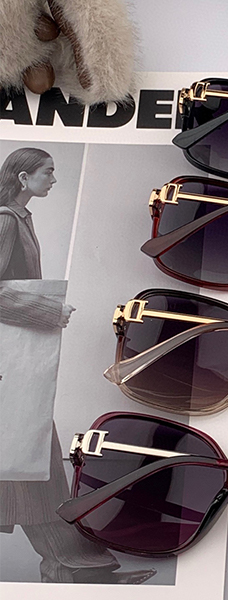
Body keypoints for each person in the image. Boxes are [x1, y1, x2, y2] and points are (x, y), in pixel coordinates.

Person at [0, 148, 155, 584]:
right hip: (7, 371)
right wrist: (47, 311)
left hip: (10, 371)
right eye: (48, 172)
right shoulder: (6, 220)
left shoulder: (18, 218)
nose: (54, 179)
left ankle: (71, 565)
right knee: (33, 462)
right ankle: (74, 566)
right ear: (24, 177)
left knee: (30, 465)